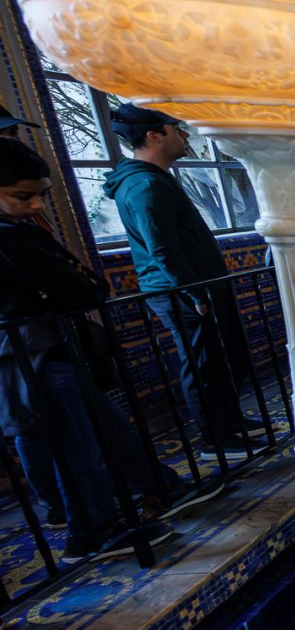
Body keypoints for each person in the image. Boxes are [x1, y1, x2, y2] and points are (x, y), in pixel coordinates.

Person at [0, 138, 183, 560]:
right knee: (76, 447)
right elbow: (78, 288)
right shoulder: (9, 239)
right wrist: (77, 287)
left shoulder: (21, 231)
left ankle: (158, 489)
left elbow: (84, 285)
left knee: (106, 430)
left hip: (53, 349)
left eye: (41, 195)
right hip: (37, 355)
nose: (35, 206)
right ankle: (93, 533)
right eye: (22, 197)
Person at [105, 103, 261, 458]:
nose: (185, 135)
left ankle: (229, 421)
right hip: (181, 291)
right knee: (203, 363)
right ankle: (216, 440)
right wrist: (194, 293)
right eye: (177, 129)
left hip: (195, 287)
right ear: (154, 136)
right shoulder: (145, 185)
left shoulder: (156, 180)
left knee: (221, 358)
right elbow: (162, 247)